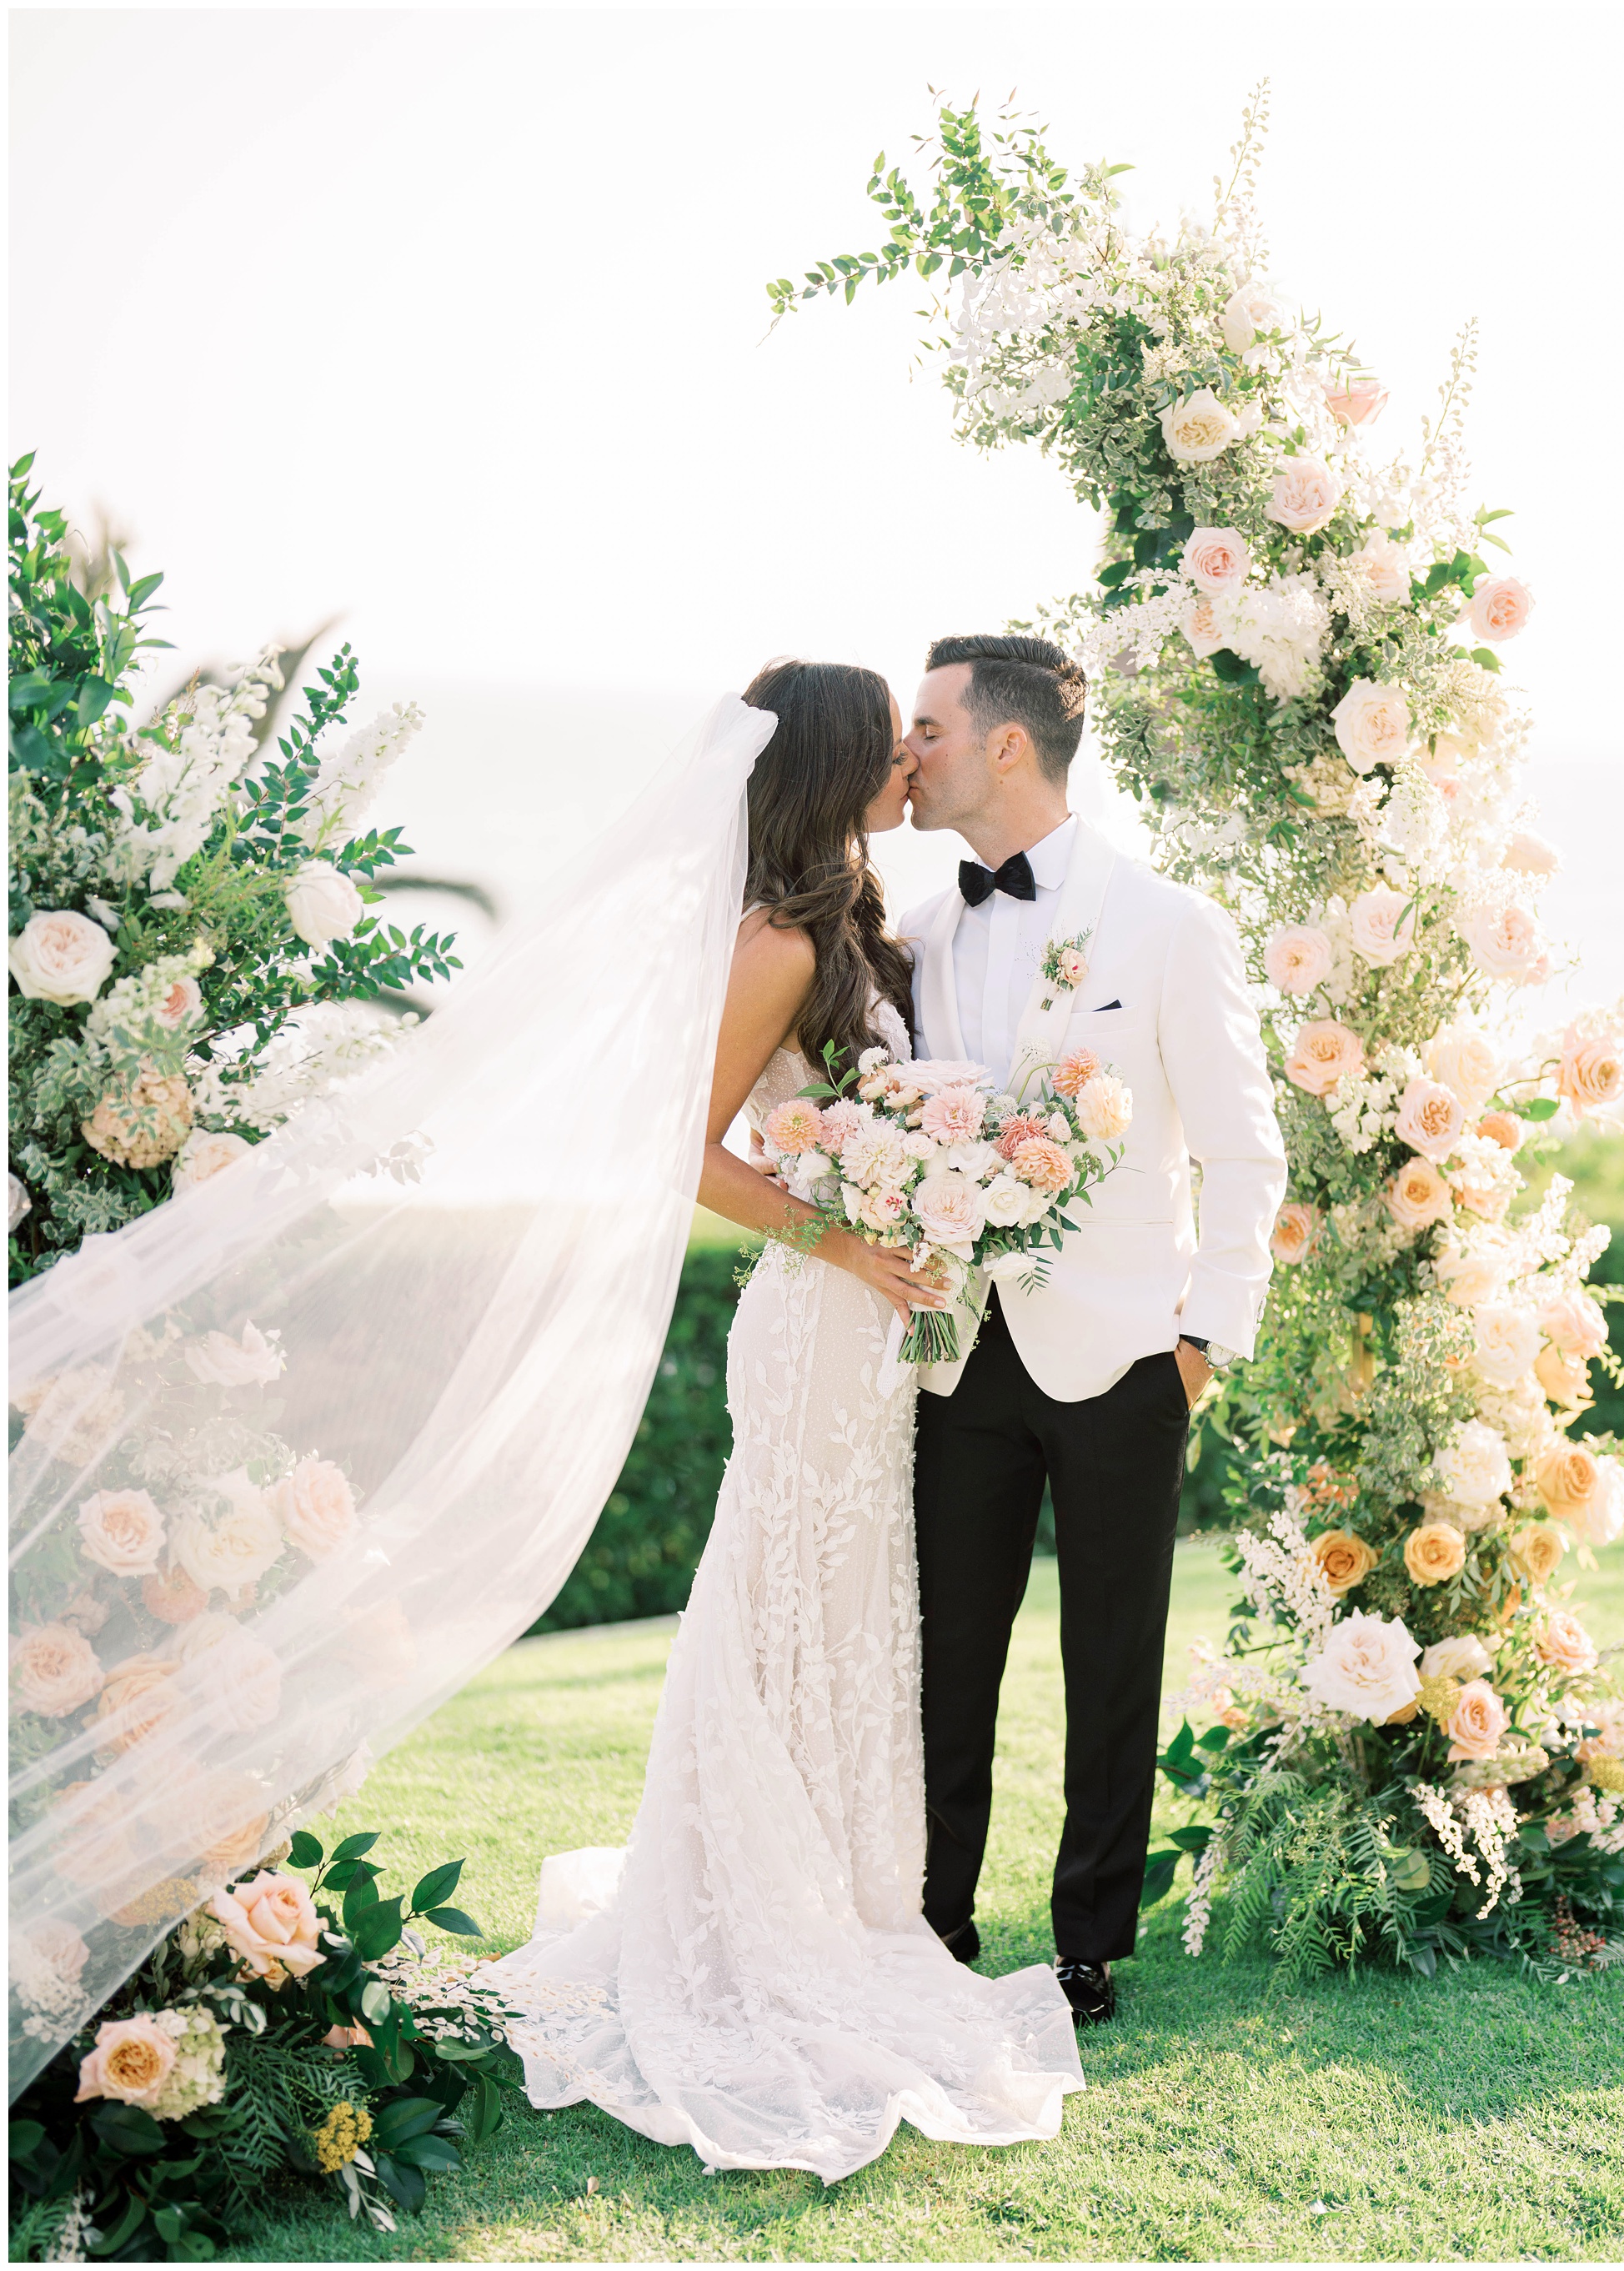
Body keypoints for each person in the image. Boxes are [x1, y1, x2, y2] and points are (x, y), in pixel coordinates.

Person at [488, 659, 1082, 2183]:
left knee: (847, 1604)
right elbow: (685, 1147)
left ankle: (846, 1898)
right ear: (831, 766)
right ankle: (754, 1918)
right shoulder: (772, 942)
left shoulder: (851, 928)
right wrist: (846, 1240)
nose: (910, 758)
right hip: (821, 1321)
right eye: (890, 740)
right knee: (790, 1598)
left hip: (875, 1332)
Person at [899, 633, 1286, 2028]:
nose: (910, 753)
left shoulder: (1169, 925)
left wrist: (1201, 1342)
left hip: (1127, 1349)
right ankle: (930, 1920)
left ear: (1008, 744)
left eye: (929, 728)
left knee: (1111, 1655)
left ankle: (1086, 1942)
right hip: (957, 1350)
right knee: (946, 1651)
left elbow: (1247, 1154)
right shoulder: (922, 930)